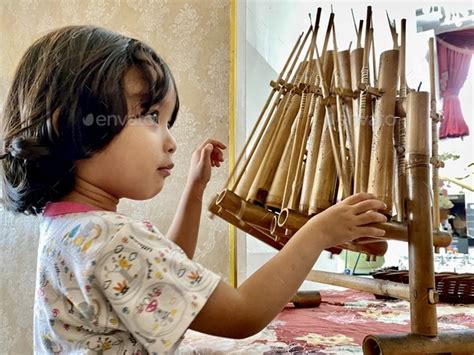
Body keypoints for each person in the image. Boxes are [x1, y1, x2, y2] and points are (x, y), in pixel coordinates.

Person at [0, 25, 387, 354]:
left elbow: (157, 278)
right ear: (73, 123)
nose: (170, 142)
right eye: (151, 117)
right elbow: (243, 314)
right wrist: (318, 231)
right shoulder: (111, 237)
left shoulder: (72, 227)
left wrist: (195, 190)